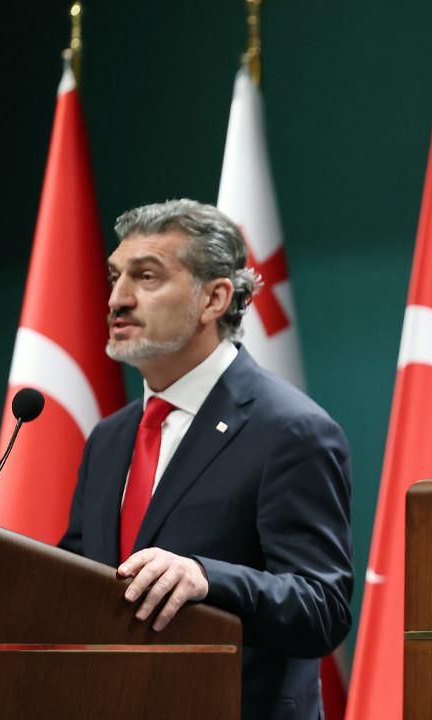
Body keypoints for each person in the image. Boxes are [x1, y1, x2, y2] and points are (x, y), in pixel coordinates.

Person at [59, 199, 353, 720]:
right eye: (115, 277)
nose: (117, 298)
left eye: (146, 277)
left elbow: (322, 608)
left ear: (214, 298)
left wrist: (206, 577)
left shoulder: (289, 430)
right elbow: (77, 580)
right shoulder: (109, 438)